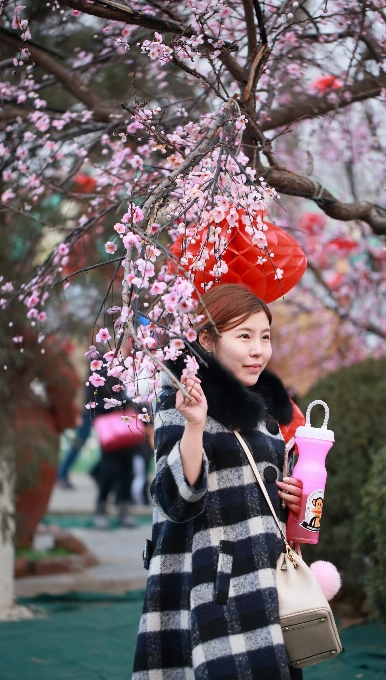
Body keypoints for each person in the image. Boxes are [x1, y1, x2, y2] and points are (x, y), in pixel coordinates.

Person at [133, 283, 304, 680]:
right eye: (244, 336)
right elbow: (175, 500)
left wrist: (291, 496)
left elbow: (262, 493)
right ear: (207, 340)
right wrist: (195, 426)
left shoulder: (266, 410)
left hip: (267, 580)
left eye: (265, 337)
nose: (258, 349)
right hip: (211, 583)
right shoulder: (182, 401)